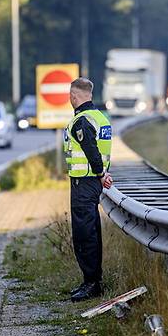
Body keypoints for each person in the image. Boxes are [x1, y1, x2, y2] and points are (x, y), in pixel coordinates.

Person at [63, 78, 113, 302]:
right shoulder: (101, 117)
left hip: (84, 183)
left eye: (69, 96)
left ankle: (91, 284)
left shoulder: (81, 121)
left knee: (84, 234)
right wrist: (102, 173)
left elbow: (91, 150)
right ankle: (92, 281)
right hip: (92, 183)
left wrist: (101, 173)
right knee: (91, 231)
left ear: (74, 96)